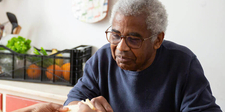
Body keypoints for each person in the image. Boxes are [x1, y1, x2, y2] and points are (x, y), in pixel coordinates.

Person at [64, 0, 222, 112]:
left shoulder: (183, 63)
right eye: (116, 35)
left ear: (157, 40)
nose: (121, 47)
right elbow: (74, 98)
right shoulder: (102, 59)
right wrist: (81, 108)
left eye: (133, 39)